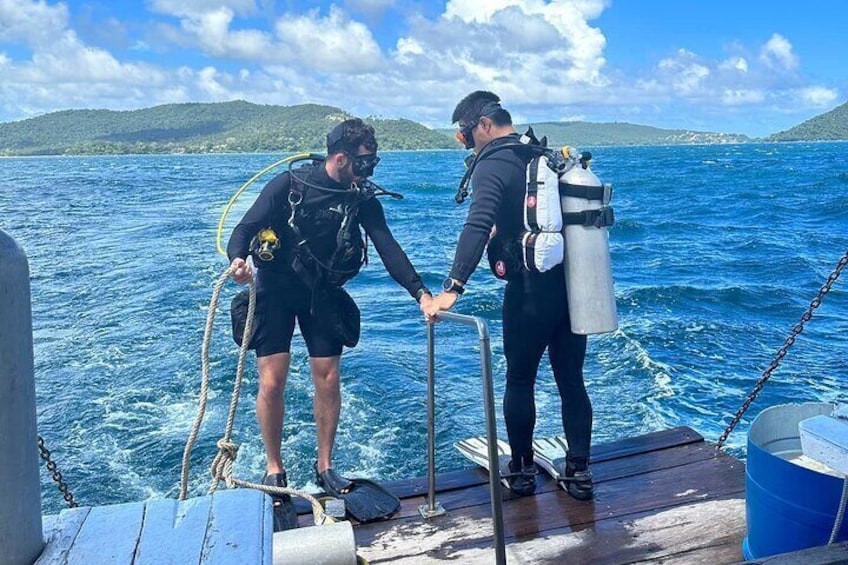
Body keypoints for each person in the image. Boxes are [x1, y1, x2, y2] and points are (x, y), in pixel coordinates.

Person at [228, 118, 433, 528]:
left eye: (373, 161)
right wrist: (237, 260)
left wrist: (420, 293)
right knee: (272, 379)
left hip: (322, 292)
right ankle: (274, 468)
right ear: (341, 158)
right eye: (364, 162)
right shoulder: (290, 186)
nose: (369, 170)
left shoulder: (361, 199)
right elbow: (245, 228)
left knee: (327, 375)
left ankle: (324, 466)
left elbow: (387, 246)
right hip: (277, 289)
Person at [422, 91, 593, 500]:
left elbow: (478, 224)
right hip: (572, 288)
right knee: (571, 381)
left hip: (529, 293)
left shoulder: (494, 164)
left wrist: (452, 289)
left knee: (520, 379)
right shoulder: (542, 155)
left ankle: (520, 470)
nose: (468, 142)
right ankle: (580, 473)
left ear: (484, 125)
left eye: (466, 134)